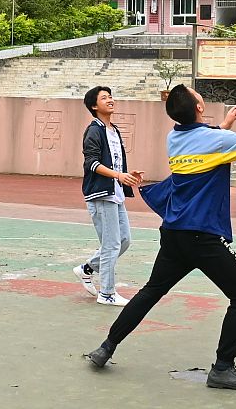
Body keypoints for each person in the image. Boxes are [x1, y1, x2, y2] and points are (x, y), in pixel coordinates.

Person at [85, 86, 236, 391]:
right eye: (197, 95)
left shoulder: (174, 137)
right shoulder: (215, 141)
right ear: (199, 107)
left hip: (174, 233)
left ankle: (106, 347)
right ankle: (223, 368)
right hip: (202, 237)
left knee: (151, 291)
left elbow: (206, 140)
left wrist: (224, 126)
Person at [73, 86, 144, 307]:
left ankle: (87, 268)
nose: (110, 100)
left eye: (111, 96)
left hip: (115, 192)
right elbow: (92, 163)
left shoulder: (114, 130)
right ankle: (107, 293)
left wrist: (126, 175)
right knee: (111, 244)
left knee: (124, 240)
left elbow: (115, 162)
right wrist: (118, 175)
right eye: (104, 98)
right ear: (94, 106)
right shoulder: (94, 130)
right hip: (101, 193)